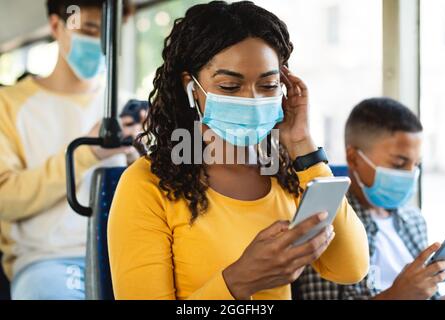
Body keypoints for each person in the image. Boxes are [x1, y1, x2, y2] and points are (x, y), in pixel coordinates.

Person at [107, 1, 370, 300]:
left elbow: (351, 268)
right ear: (191, 87)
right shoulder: (146, 185)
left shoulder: (285, 175)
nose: (253, 100)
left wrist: (302, 144)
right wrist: (239, 281)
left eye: (269, 85)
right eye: (231, 87)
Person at [0, 0, 134, 300]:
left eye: (107, 32)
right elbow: (5, 198)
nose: (98, 40)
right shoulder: (7, 106)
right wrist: (87, 154)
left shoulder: (127, 108)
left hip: (123, 254)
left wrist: (138, 156)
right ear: (55, 26)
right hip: (47, 260)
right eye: (87, 28)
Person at [295, 98, 445, 300]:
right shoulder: (328, 221)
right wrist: (396, 296)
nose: (411, 174)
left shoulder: (414, 220)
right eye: (398, 163)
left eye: (416, 164)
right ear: (353, 158)